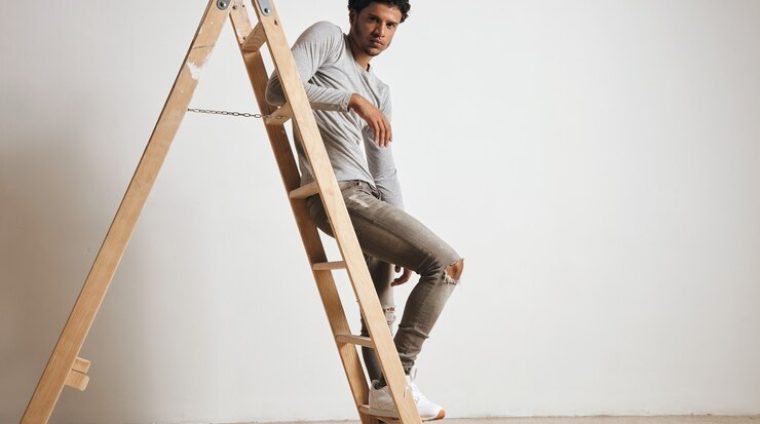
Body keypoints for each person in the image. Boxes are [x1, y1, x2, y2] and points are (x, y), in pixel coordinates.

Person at [265, 1, 464, 420]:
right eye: (373, 19)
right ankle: (399, 380)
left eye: (391, 25)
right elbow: (278, 89)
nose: (381, 31)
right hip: (338, 193)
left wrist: (403, 232)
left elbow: (383, 166)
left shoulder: (381, 92)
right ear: (353, 15)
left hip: (368, 196)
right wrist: (350, 99)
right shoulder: (326, 39)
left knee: (382, 310)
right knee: (447, 265)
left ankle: (384, 391)